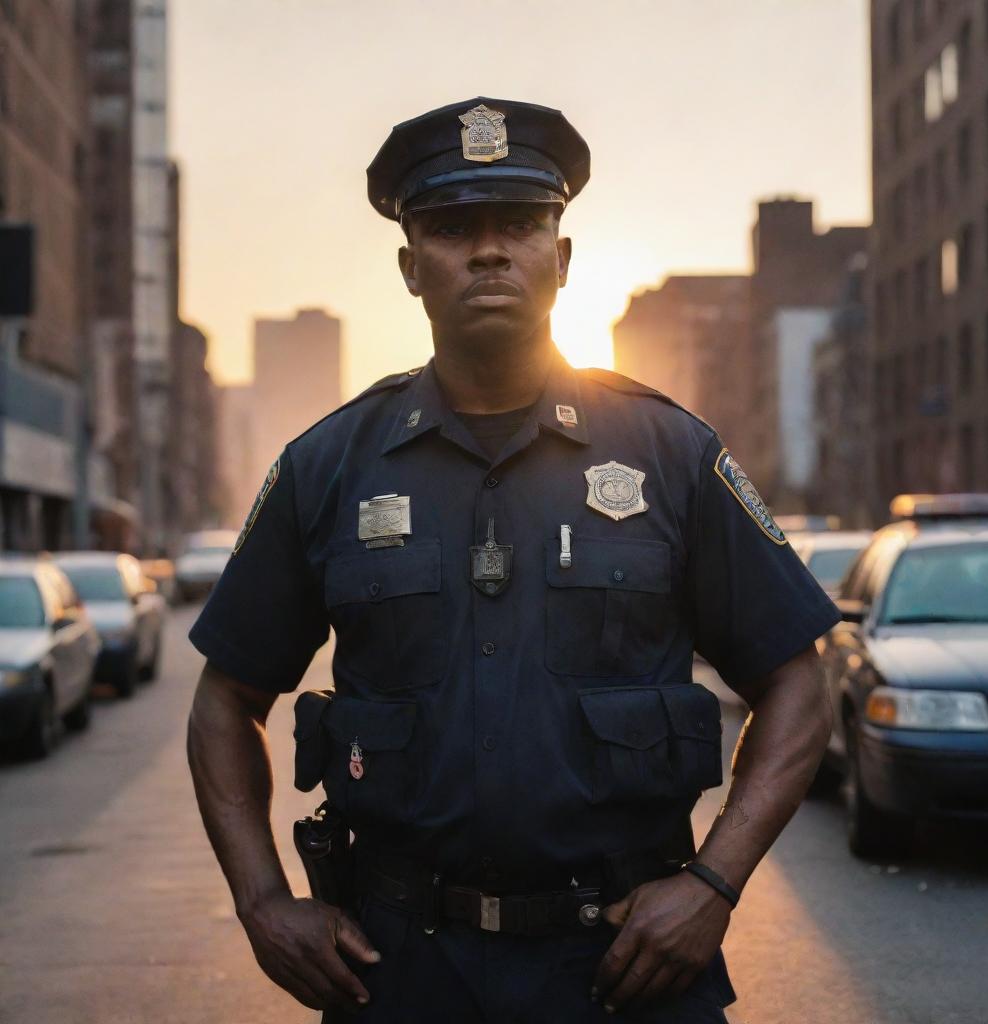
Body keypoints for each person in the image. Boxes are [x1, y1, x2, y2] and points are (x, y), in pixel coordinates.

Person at [186, 97, 839, 1023]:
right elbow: (225, 700)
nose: (489, 251)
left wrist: (712, 886)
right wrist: (260, 902)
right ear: (411, 268)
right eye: (453, 228)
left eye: (522, 224)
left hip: (626, 969)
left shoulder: (670, 456)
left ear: (562, 259)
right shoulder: (326, 466)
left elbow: (797, 684)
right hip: (400, 971)